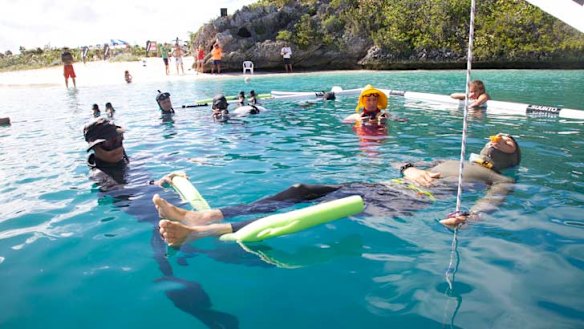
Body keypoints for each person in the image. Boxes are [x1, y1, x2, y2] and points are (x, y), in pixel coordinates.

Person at [154, 133, 521, 246]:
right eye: (495, 137)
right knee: (300, 188)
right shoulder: (451, 158)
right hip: (386, 186)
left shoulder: (500, 179)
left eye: (506, 142)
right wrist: (409, 169)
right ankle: (203, 213)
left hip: (407, 201)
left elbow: (490, 204)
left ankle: (197, 232)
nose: (497, 140)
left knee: (314, 207)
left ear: (511, 157)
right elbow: (406, 161)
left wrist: (467, 217)